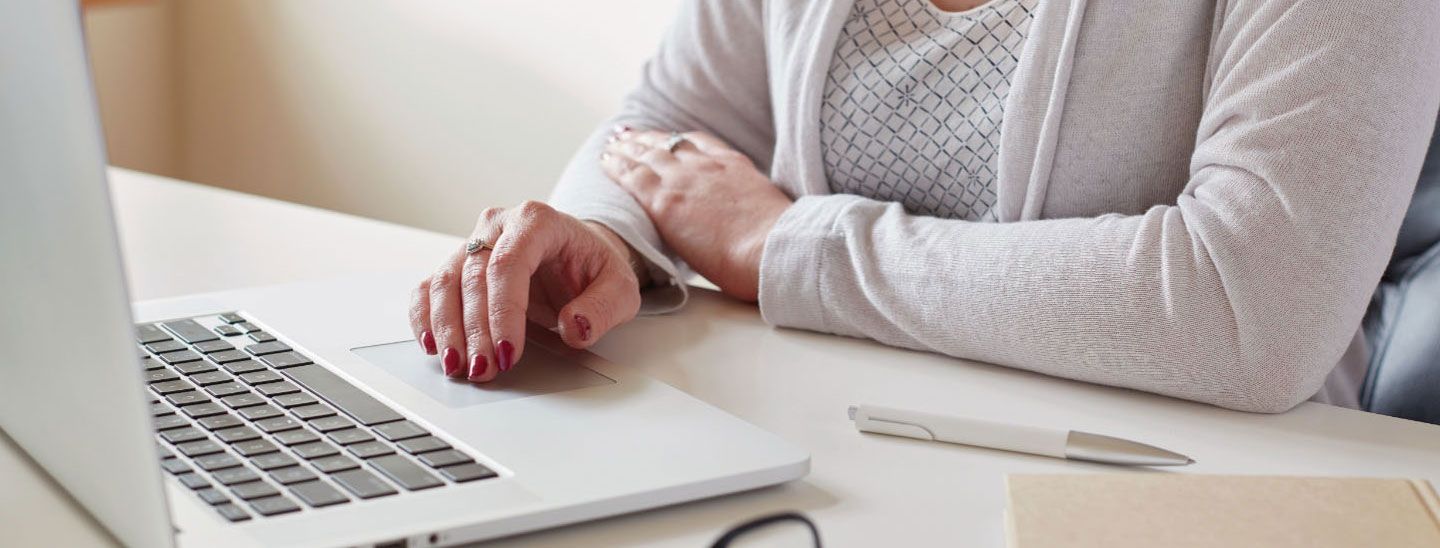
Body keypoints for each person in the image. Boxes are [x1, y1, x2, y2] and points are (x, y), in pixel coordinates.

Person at [408, 0, 1440, 413]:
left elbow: (1248, 310)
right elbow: (669, 124)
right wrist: (602, 236)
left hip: (1184, 495)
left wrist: (783, 246)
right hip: (837, 453)